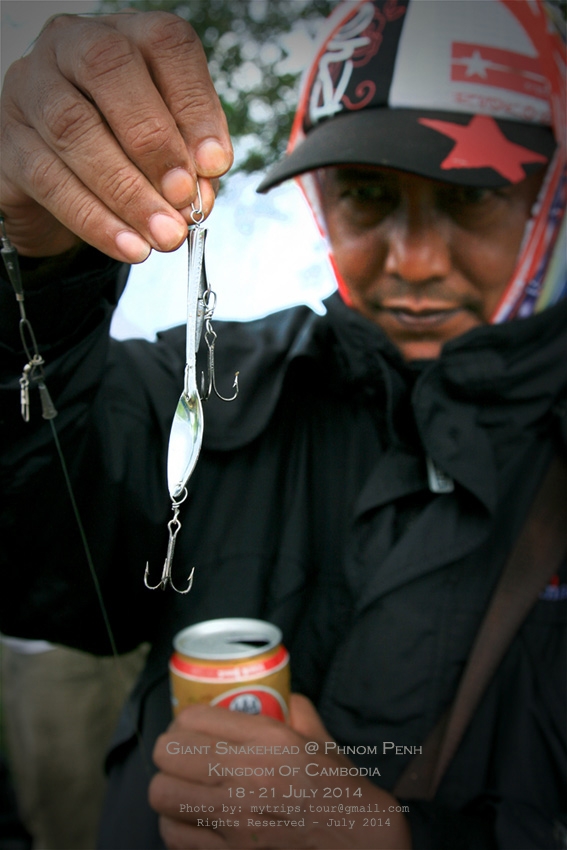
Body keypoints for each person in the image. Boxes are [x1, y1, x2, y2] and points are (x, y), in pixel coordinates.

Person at [0, 1, 565, 849]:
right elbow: (32, 525)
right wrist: (36, 268)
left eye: (469, 197)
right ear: (321, 202)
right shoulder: (209, 382)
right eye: (369, 196)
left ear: (547, 206)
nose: (412, 259)